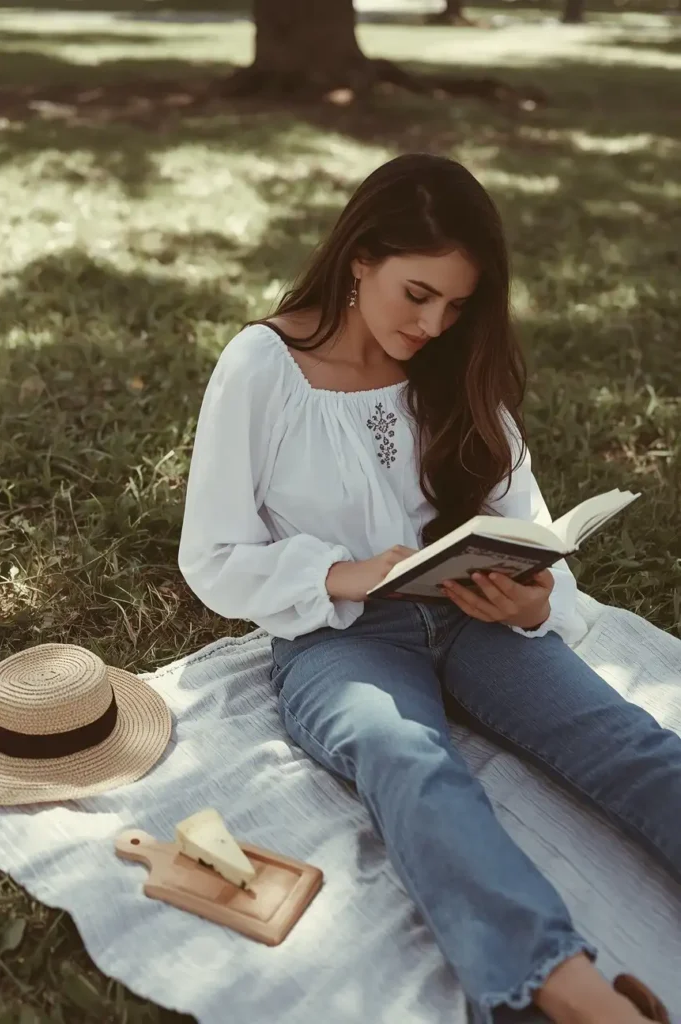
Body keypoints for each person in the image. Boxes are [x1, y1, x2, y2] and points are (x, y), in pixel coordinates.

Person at [177, 154, 677, 1024]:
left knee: (622, 740)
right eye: (418, 295)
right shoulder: (264, 366)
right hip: (338, 634)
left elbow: (519, 517)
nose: (435, 323)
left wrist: (535, 601)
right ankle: (571, 998)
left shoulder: (455, 363)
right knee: (408, 763)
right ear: (360, 257)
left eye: (455, 305)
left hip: (474, 615)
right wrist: (344, 573)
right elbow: (212, 553)